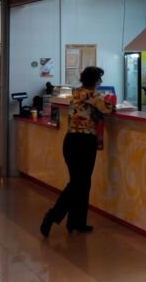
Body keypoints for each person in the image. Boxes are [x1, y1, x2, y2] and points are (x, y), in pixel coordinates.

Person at [41, 66, 114, 237]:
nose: (101, 82)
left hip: (70, 141)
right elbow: (109, 108)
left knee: (81, 182)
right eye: (99, 79)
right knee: (79, 183)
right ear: (95, 81)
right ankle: (53, 216)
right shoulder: (92, 95)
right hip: (84, 142)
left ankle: (76, 222)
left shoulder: (76, 93)